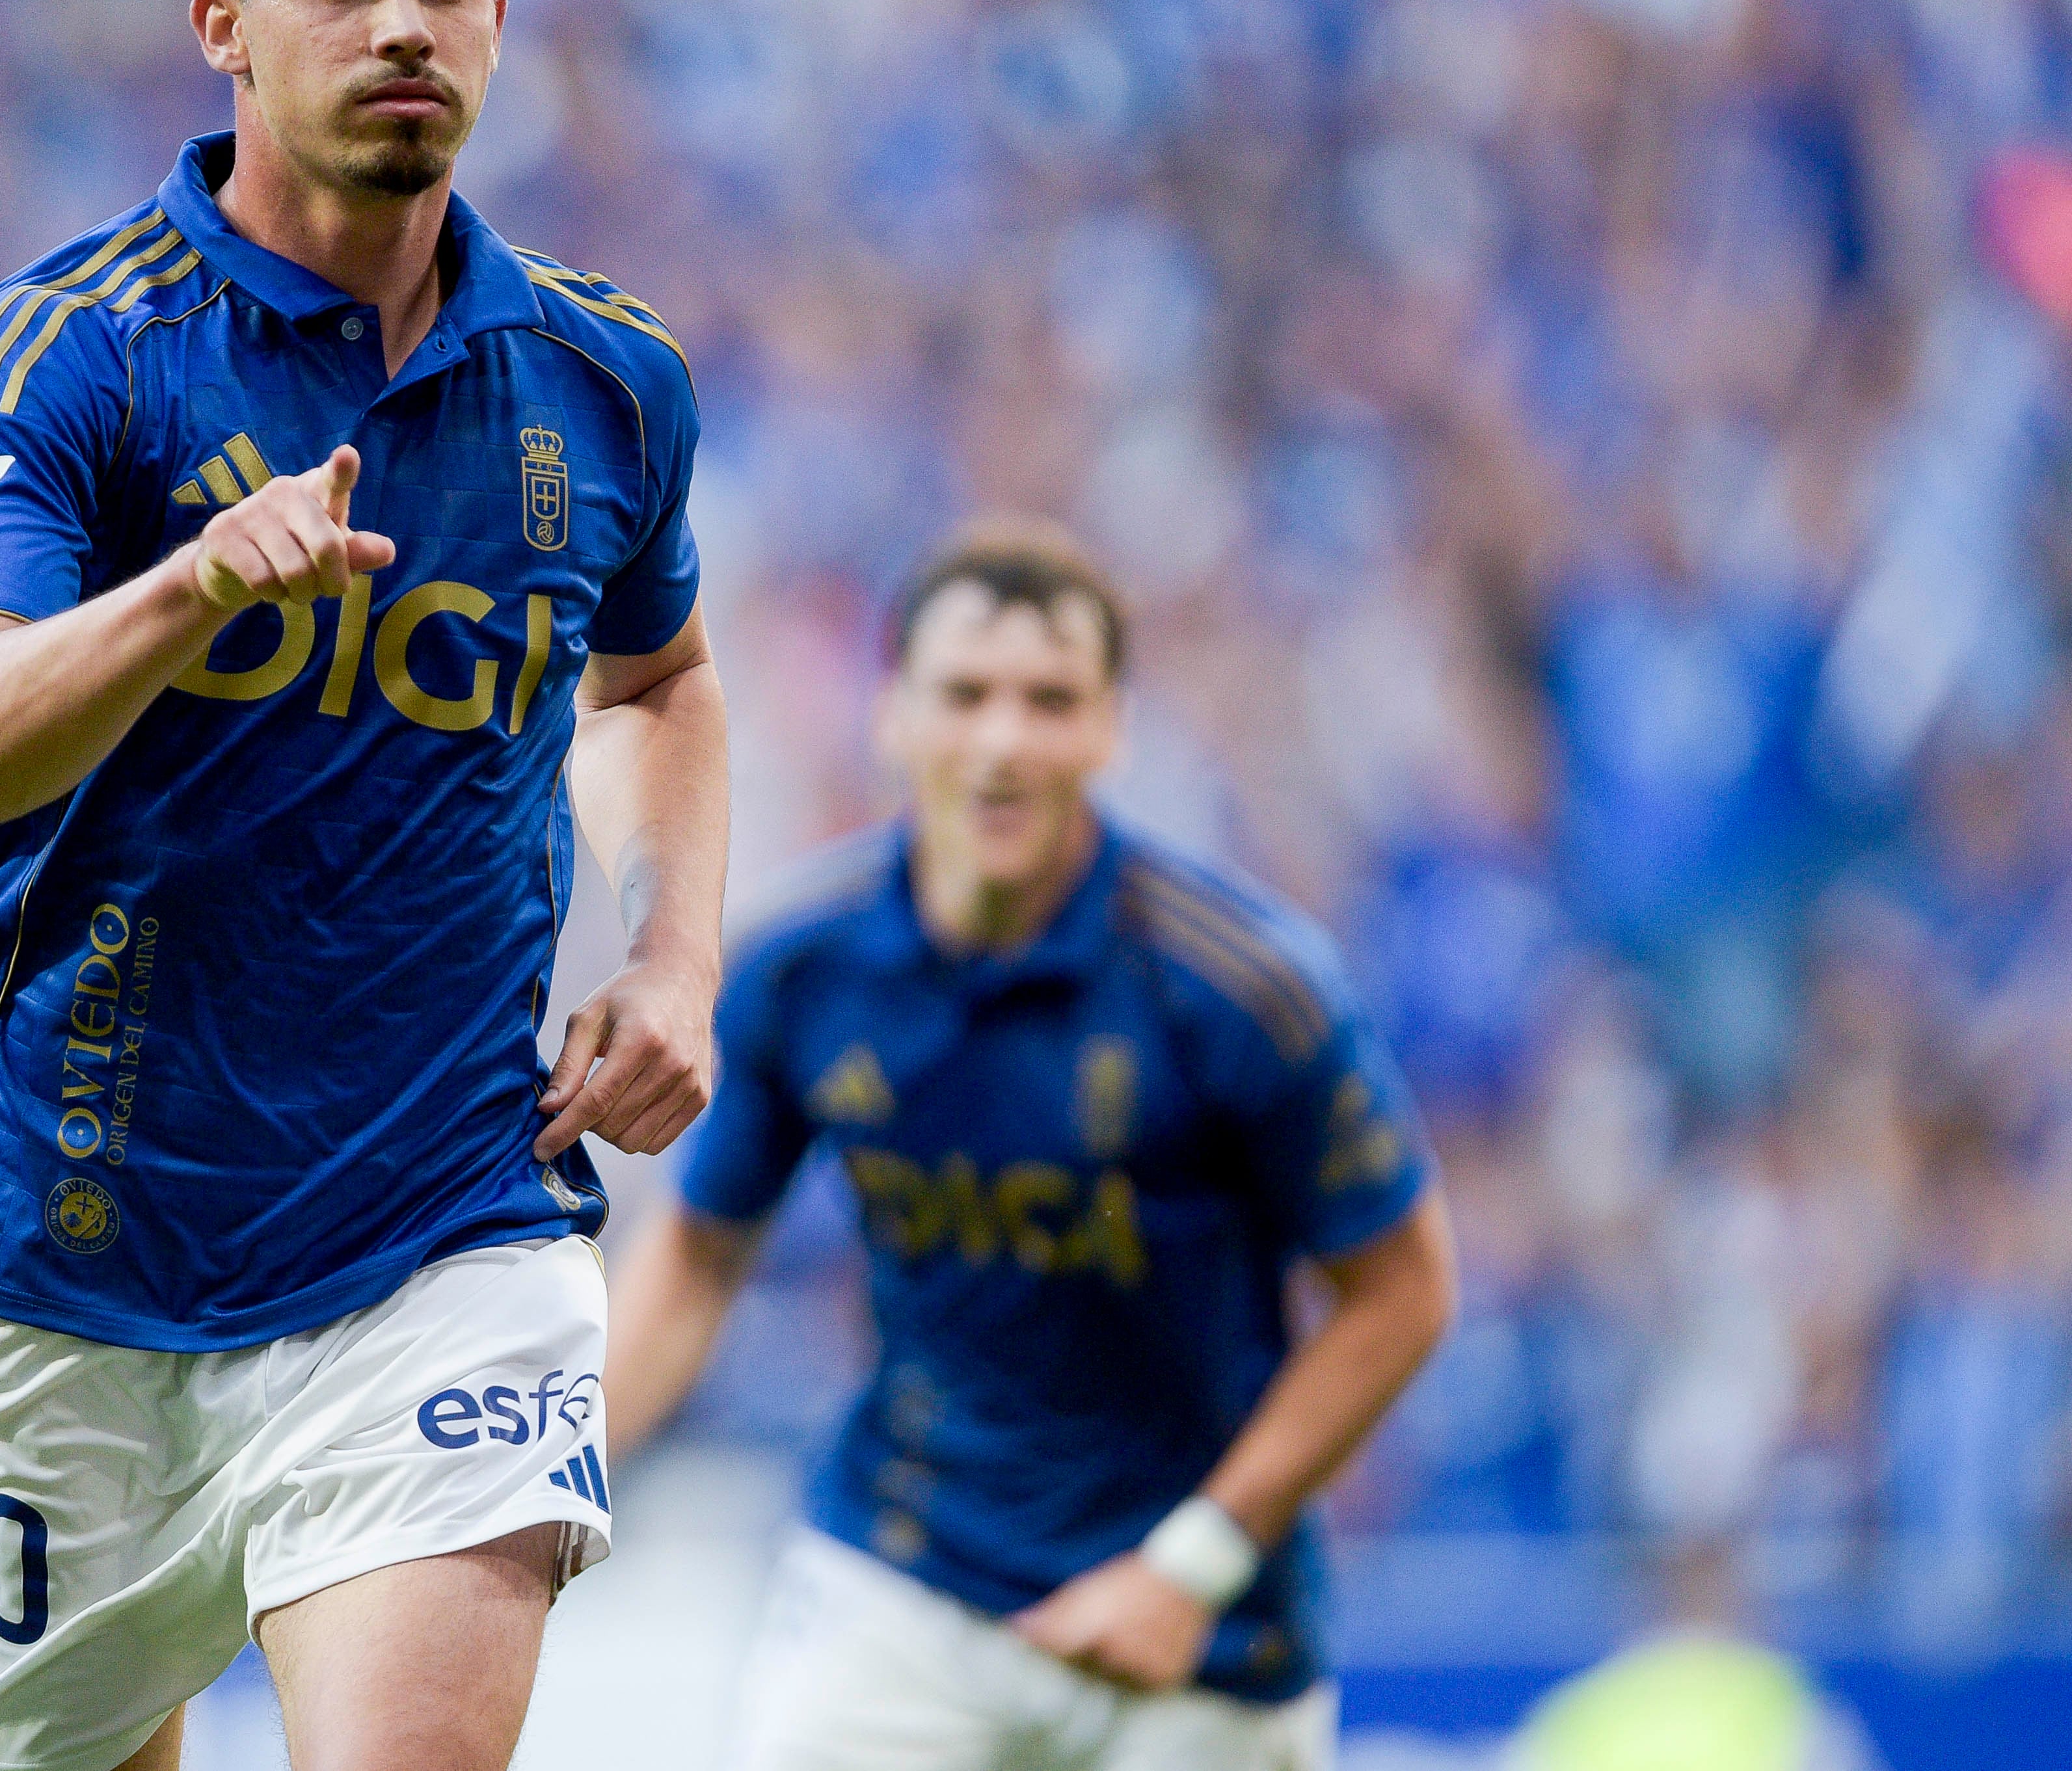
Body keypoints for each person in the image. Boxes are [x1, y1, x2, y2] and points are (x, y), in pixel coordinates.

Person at [0, 0, 728, 1771]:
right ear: (226, 28)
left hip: (440, 1225)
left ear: (499, 18)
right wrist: (185, 595)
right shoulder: (63, 355)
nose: (402, 22)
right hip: (64, 1247)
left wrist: (674, 955)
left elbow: (658, 681)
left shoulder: (608, 379)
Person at [606, 524, 1455, 1771]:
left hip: (1197, 1629)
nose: (1002, 742)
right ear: (892, 715)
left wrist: (1193, 1565)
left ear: (1112, 729)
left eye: (1049, 701)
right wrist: (564, 1487)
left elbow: (1405, 1293)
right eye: (965, 696)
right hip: (904, 1587)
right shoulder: (801, 967)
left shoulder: (1245, 988)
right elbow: (698, 1253)